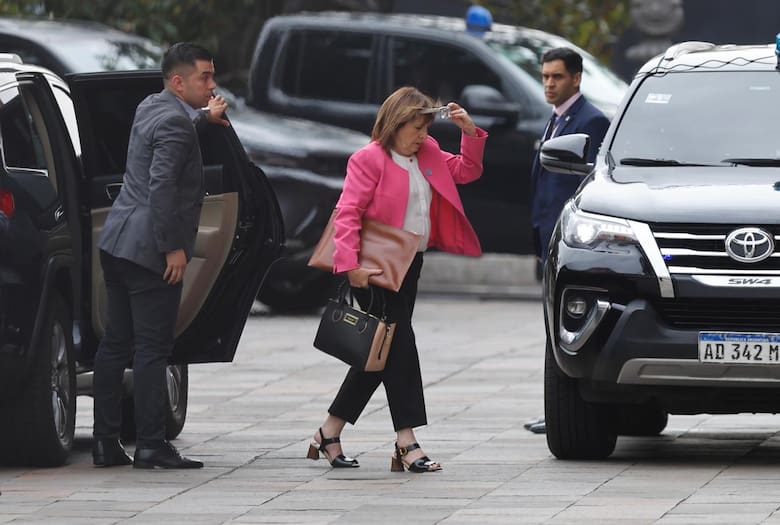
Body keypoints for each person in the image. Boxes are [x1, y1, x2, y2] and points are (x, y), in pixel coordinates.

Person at [307, 86, 487, 473]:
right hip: (374, 269)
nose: (422, 135)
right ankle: (407, 441)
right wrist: (349, 266)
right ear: (395, 123)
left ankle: (328, 432)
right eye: (416, 128)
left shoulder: (429, 153)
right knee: (401, 347)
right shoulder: (369, 159)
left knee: (381, 350)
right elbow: (348, 214)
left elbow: (467, 172)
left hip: (410, 264)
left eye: (426, 128)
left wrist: (470, 132)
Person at [92, 42, 229, 469]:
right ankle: (151, 444)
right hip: (150, 247)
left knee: (115, 345)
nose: (212, 85)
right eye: (205, 77)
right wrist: (173, 248)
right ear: (179, 82)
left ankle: (105, 443)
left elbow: (176, 126)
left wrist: (204, 117)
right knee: (152, 349)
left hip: (117, 241)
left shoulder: (151, 106)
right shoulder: (175, 123)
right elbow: (162, 187)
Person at [527, 47, 610, 435]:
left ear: (576, 78)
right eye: (545, 76)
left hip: (570, 241)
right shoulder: (556, 119)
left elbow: (587, 184)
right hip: (548, 238)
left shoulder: (591, 121)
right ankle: (556, 408)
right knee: (550, 327)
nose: (549, 84)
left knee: (565, 329)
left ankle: (566, 410)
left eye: (557, 77)